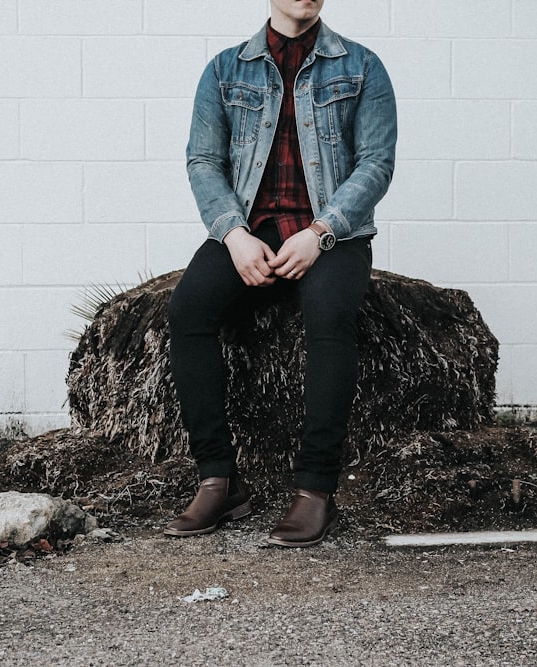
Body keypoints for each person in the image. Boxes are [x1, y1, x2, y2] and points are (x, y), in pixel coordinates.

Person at [165, 0, 397, 547]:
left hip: (331, 232)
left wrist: (321, 233)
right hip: (250, 225)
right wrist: (232, 233)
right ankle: (218, 479)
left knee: (329, 313)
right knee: (188, 310)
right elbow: (203, 161)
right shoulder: (225, 69)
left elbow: (376, 163)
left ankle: (315, 490)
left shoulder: (362, 66)